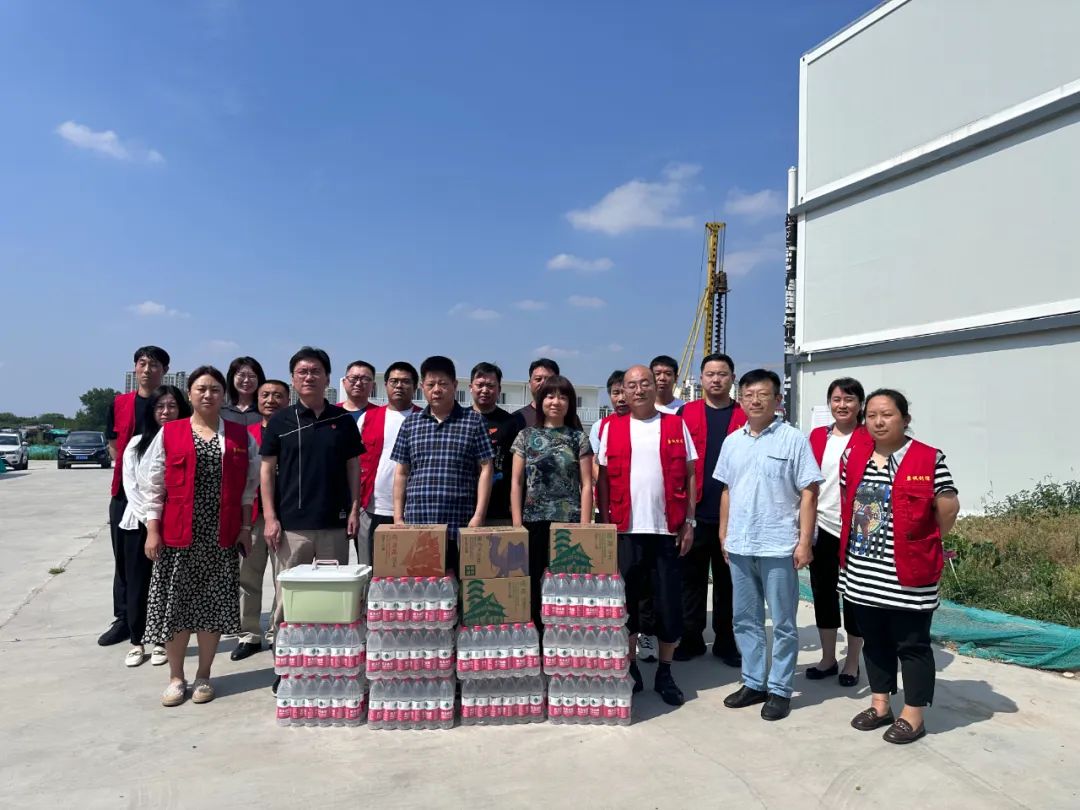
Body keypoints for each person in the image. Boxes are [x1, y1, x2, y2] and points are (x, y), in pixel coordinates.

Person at [841, 389, 959, 744]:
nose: (878, 422)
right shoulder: (854, 455)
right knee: (874, 640)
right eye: (872, 415)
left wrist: (924, 541)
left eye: (887, 414)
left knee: (912, 644)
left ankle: (913, 714)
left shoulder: (928, 458)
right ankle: (880, 705)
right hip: (863, 570)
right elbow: (848, 500)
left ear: (905, 419)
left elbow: (948, 507)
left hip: (908, 573)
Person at [140, 366, 260, 706]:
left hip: (220, 538)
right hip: (178, 537)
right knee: (176, 609)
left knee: (212, 609)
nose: (208, 395)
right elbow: (153, 486)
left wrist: (245, 528)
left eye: (215, 389)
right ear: (189, 394)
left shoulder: (240, 437)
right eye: (201, 389)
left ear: (224, 395)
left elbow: (248, 488)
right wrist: (152, 530)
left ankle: (204, 675)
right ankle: (176, 677)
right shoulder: (171, 433)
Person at [715, 369, 823, 722]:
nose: (755, 400)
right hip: (741, 544)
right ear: (741, 399)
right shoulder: (733, 442)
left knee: (784, 622)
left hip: (778, 545)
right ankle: (753, 682)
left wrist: (804, 542)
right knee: (744, 619)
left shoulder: (794, 439)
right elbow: (727, 490)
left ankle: (779, 689)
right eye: (748, 394)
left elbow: (809, 492)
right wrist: (724, 534)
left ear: (777, 400)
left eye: (763, 394)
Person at [597, 365, 696, 707]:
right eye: (631, 385)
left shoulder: (675, 425)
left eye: (644, 383)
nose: (638, 390)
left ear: (656, 386)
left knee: (668, 603)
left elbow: (690, 474)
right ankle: (631, 667)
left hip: (667, 530)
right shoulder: (611, 428)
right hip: (625, 531)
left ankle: (665, 672)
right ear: (623, 391)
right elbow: (603, 480)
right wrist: (606, 523)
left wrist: (689, 522)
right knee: (628, 605)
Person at [261, 347, 364, 634]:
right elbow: (266, 471)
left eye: (316, 371)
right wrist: (270, 517)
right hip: (292, 527)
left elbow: (353, 467)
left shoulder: (342, 420)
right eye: (302, 372)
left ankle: (329, 652)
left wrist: (354, 509)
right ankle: (284, 651)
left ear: (328, 378)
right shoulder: (280, 421)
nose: (309, 377)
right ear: (293, 379)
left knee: (332, 597)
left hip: (334, 524)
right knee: (287, 599)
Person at [675, 352, 747, 665]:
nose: (716, 380)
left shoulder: (745, 415)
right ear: (701, 378)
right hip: (696, 512)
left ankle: (725, 640)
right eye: (710, 374)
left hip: (734, 515)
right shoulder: (686, 413)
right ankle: (691, 638)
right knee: (690, 581)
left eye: (722, 374)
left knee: (728, 583)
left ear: (733, 378)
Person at [391, 355, 494, 571]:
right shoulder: (411, 424)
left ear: (455, 385)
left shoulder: (474, 422)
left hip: (460, 521)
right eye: (430, 384)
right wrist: (398, 517)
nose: (436, 390)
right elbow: (401, 472)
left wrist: (479, 516)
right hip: (418, 521)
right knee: (423, 584)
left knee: (458, 581)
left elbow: (486, 469)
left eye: (443, 383)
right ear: (422, 387)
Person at [99, 345, 170, 647]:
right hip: (124, 493)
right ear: (135, 368)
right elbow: (115, 445)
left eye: (154, 365)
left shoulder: (170, 403)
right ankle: (124, 619)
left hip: (163, 494)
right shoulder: (120, 403)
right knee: (124, 560)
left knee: (160, 559)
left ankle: (159, 619)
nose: (147, 369)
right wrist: (131, 478)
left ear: (164, 370)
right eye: (142, 363)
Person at [118, 384, 191, 668]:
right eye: (160, 406)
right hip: (139, 524)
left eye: (172, 406)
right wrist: (151, 523)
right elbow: (132, 487)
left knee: (165, 585)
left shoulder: (187, 440)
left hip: (175, 523)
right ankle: (137, 641)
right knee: (138, 583)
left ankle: (162, 640)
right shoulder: (136, 444)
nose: (165, 412)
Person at [510, 375, 593, 625]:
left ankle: (562, 633)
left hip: (568, 522)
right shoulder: (526, 436)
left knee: (565, 582)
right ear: (540, 400)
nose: (556, 402)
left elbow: (586, 484)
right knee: (534, 579)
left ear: (570, 403)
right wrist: (517, 524)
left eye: (562, 397)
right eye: (550, 396)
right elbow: (516, 482)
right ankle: (535, 632)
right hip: (533, 521)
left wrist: (584, 525)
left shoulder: (578, 438)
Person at [806, 377, 872, 686]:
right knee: (823, 593)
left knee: (856, 595)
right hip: (822, 526)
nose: (842, 405)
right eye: (836, 399)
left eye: (849, 399)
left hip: (857, 529)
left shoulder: (869, 437)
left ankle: (853, 662)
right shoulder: (818, 436)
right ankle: (828, 657)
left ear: (860, 404)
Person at [589, 370, 659, 662]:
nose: (620, 398)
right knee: (620, 579)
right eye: (615, 393)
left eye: (624, 391)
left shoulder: (651, 424)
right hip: (611, 512)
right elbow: (597, 466)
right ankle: (620, 635)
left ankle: (646, 633)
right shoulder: (602, 426)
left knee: (647, 582)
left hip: (647, 517)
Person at [232, 379, 290, 662]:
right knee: (247, 576)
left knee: (284, 579)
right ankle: (249, 634)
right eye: (265, 395)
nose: (271, 400)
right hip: (251, 516)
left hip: (287, 516)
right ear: (257, 400)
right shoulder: (245, 435)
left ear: (288, 400)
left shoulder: (294, 431)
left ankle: (278, 634)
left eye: (278, 395)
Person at [357, 362, 422, 564]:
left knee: (409, 569)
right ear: (385, 385)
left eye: (405, 382)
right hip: (373, 507)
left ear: (416, 387)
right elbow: (354, 464)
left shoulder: (425, 419)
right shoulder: (367, 418)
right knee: (369, 568)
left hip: (413, 509)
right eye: (394, 381)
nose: (399, 386)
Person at [470, 362, 520, 525]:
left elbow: (517, 468)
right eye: (480, 385)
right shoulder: (460, 420)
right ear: (471, 387)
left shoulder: (511, 423)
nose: (485, 390)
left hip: (500, 509)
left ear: (499, 389)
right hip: (465, 507)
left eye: (490, 386)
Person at [514, 358, 560, 428]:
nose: (543, 383)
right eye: (538, 379)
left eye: (549, 379)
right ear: (530, 384)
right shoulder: (516, 418)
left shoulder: (568, 417)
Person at [222, 356, 266, 426]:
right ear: (232, 378)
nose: (246, 380)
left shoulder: (266, 411)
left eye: (252, 376)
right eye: (241, 375)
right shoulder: (220, 412)